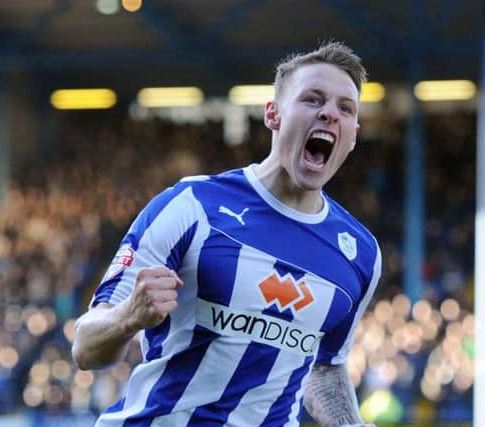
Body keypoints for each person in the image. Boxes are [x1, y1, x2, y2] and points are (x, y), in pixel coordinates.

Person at [72, 41, 381, 427]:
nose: (329, 114)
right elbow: (85, 348)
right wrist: (128, 317)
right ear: (273, 114)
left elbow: (325, 367)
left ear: (352, 135)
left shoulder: (360, 254)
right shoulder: (192, 205)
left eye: (345, 108)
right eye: (313, 99)